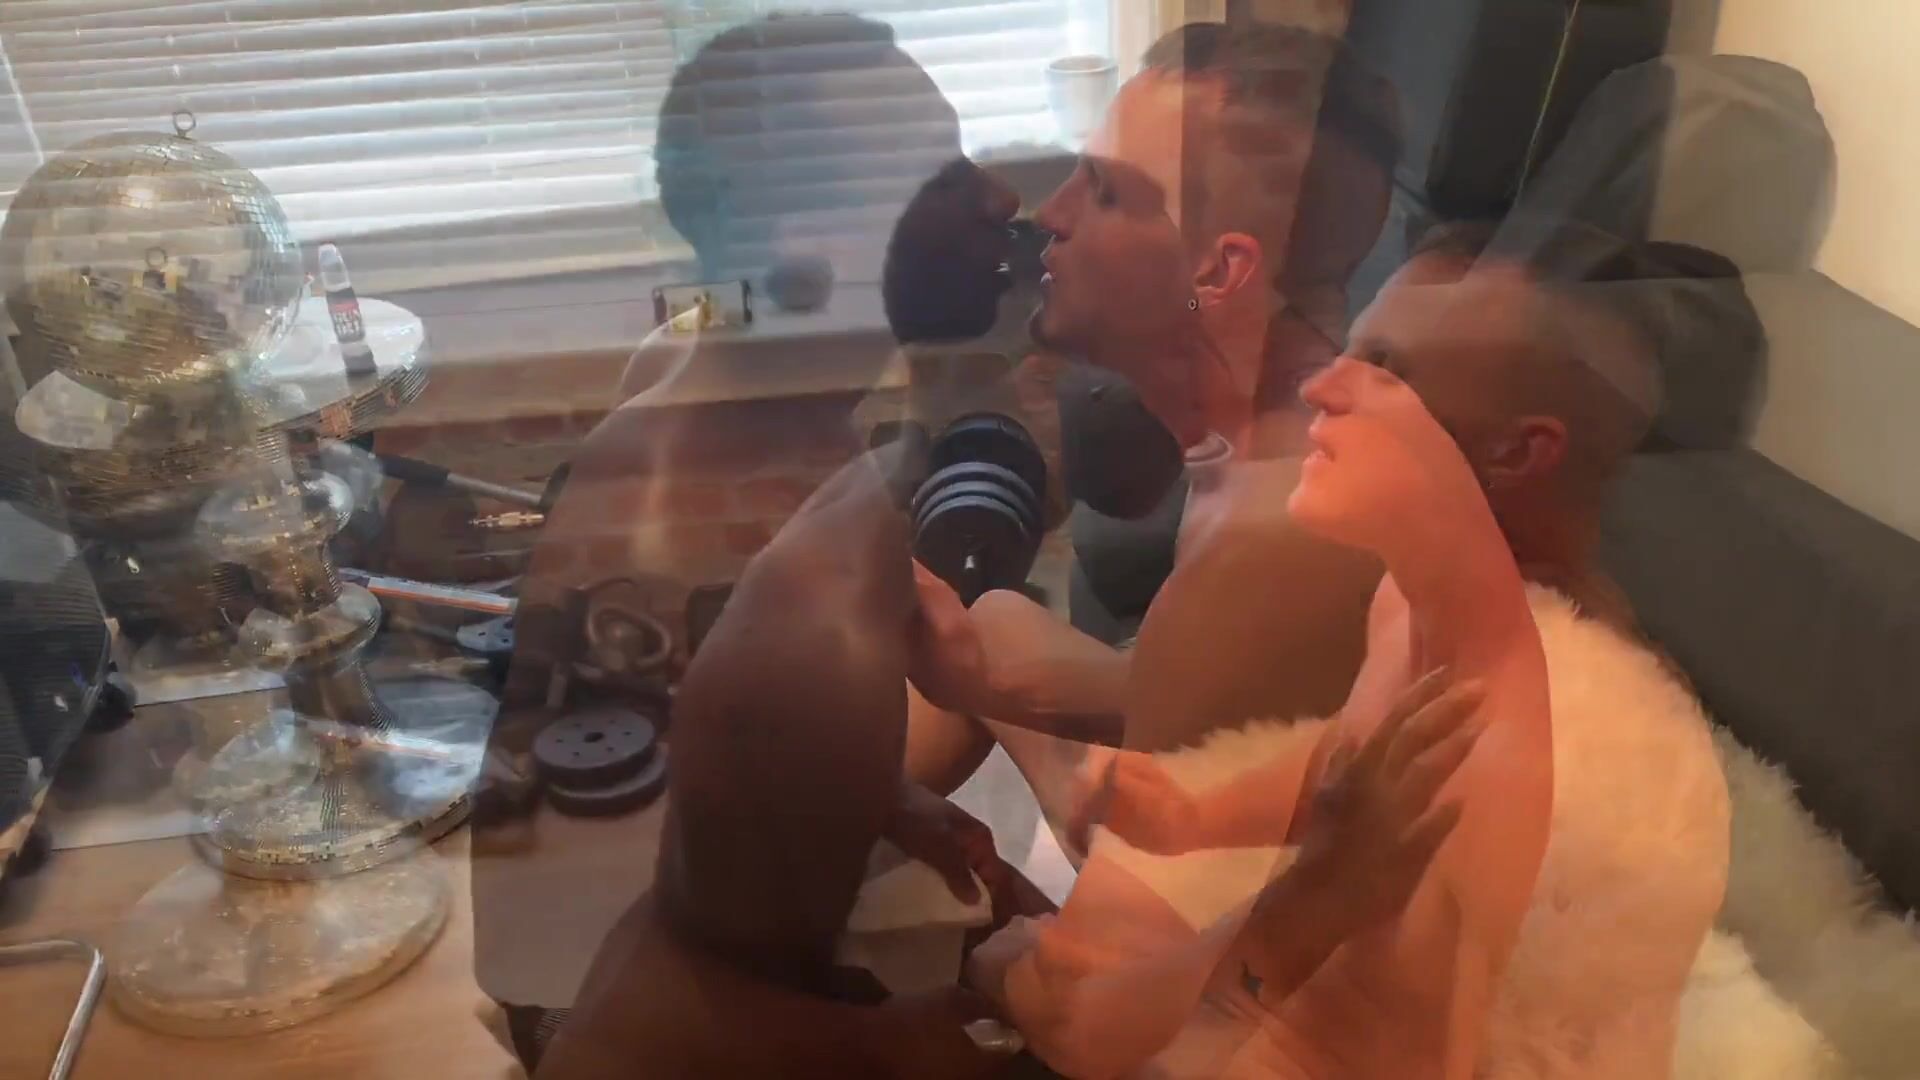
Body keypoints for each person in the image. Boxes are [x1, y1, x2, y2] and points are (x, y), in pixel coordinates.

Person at [981, 222, 1735, 1077]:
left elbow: (1404, 1047)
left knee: (1037, 975)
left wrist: (1031, 993)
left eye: (1387, 371)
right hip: (1317, 994)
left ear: (1516, 451)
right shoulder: (1416, 597)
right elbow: (1346, 757)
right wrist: (1200, 817)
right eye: (1352, 349)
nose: (1318, 388)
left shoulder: (1535, 745)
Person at [905, 21, 1399, 855]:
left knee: (973, 637)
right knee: (991, 617)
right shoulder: (1260, 426)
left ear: (1217, 271)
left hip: (1206, 894)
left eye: (1102, 192)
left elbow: (1162, 883)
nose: (1049, 214)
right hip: (1214, 734)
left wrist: (985, 691)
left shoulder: (1278, 532)